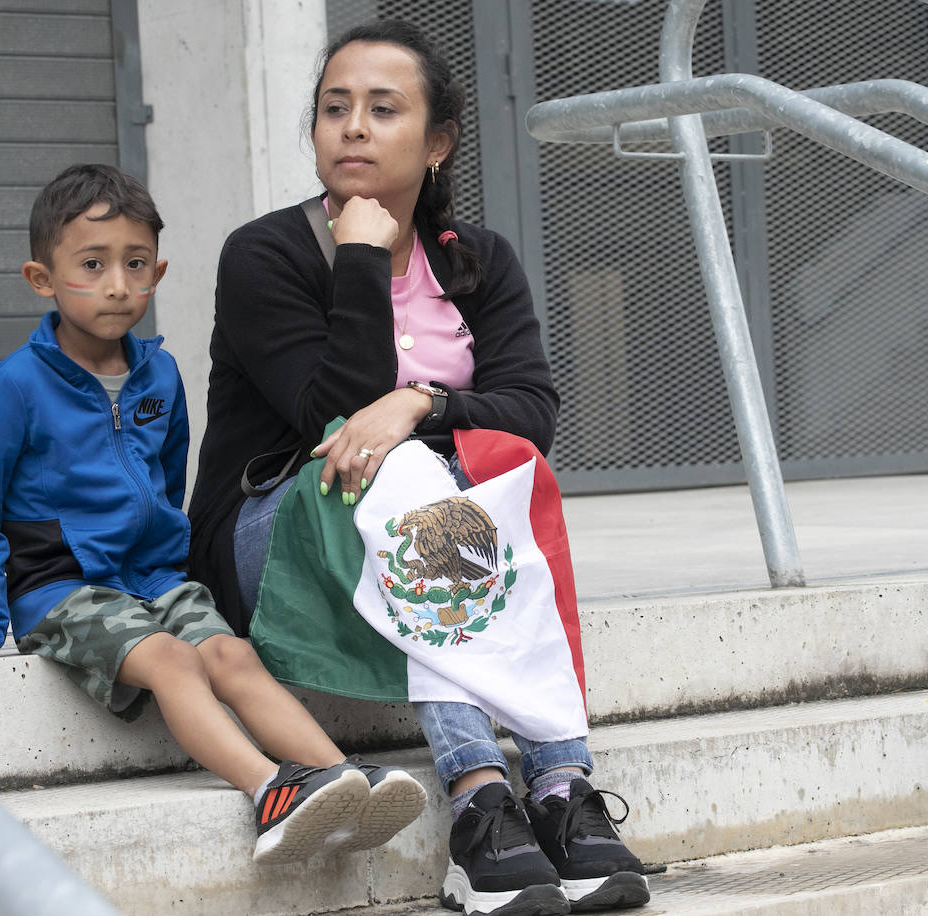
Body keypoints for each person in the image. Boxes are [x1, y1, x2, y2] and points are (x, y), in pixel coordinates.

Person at [187, 22, 650, 916]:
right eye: (334, 108)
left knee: (498, 480)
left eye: (382, 109)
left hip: (427, 531)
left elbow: (532, 416)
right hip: (277, 534)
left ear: (437, 145)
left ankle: (557, 792)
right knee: (406, 480)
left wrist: (425, 403)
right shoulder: (267, 254)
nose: (352, 127)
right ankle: (481, 798)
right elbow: (333, 415)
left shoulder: (476, 262)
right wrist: (360, 256)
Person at [0, 163, 424, 866]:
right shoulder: (14, 386)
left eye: (135, 264)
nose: (118, 283)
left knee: (233, 652)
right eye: (92, 264)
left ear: (158, 272)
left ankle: (342, 778)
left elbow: (169, 481)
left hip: (151, 579)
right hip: (60, 586)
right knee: (175, 660)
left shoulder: (159, 375)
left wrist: (170, 569)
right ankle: (271, 790)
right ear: (41, 279)